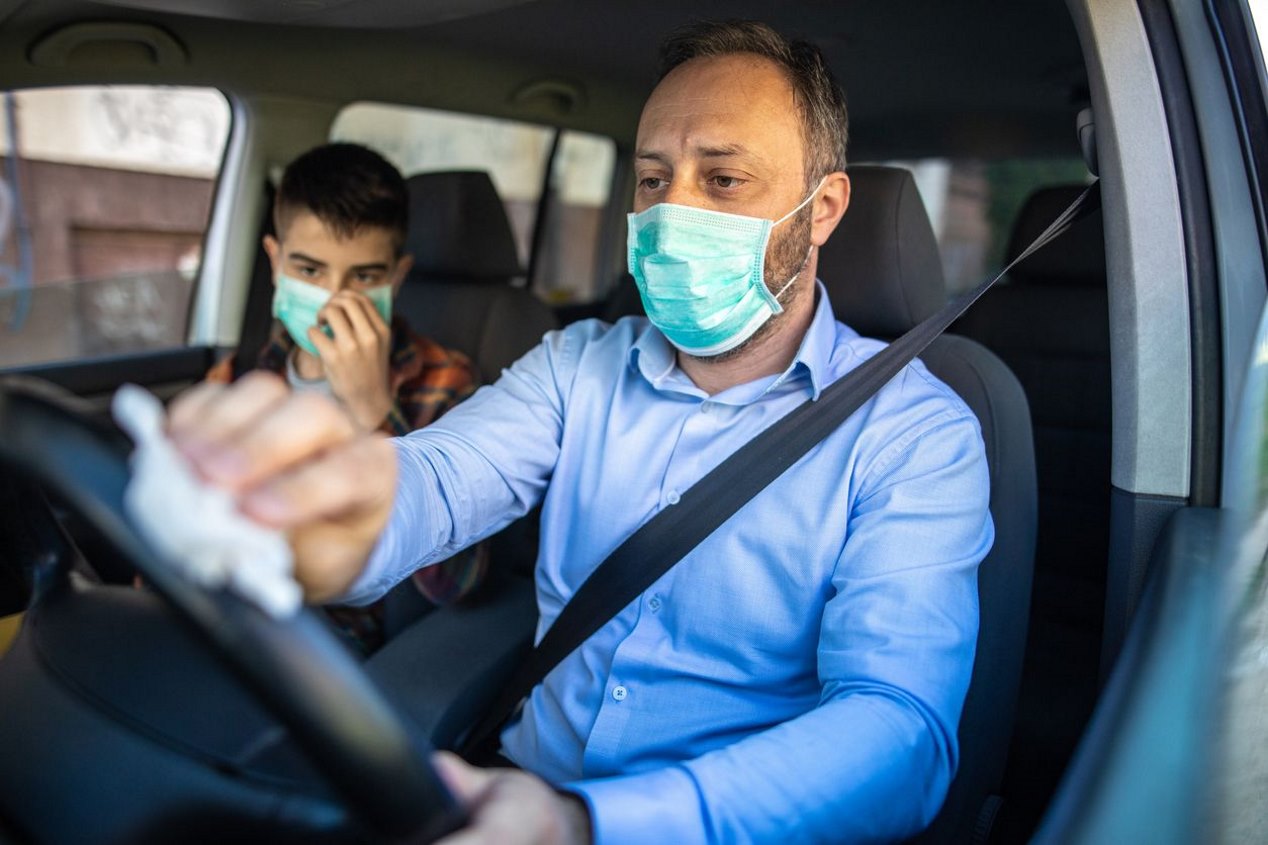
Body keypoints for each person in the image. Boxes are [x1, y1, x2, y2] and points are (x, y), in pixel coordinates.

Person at [169, 21, 993, 845]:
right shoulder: (576, 365)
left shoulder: (916, 435)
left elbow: (897, 730)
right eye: (651, 177)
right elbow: (442, 476)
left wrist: (591, 826)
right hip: (516, 787)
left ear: (824, 211)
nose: (672, 213)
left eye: (725, 179)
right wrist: (342, 510)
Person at [206, 142, 486, 650]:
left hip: (331, 637)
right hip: (223, 610)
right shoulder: (242, 374)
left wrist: (374, 412)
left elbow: (461, 582)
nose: (333, 301)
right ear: (275, 262)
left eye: (364, 276)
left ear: (396, 278)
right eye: (310, 271)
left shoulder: (444, 382)